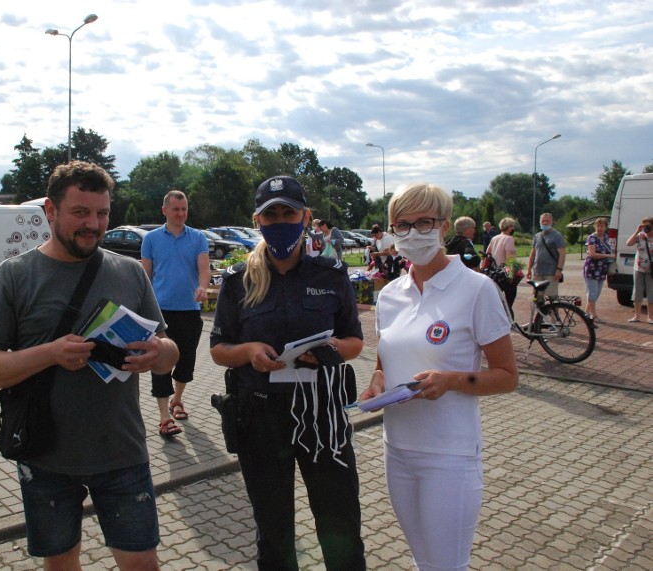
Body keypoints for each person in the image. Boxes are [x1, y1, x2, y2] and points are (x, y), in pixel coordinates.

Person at [0, 161, 179, 571]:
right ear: (50, 211)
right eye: (80, 213)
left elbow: (169, 350)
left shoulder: (129, 272)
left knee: (142, 564)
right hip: (46, 455)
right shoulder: (14, 276)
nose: (94, 224)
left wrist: (160, 354)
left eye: (102, 213)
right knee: (62, 563)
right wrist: (49, 353)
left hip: (121, 451)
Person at [359, 182, 518, 571]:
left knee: (446, 565)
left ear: (445, 226)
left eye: (424, 223)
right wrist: (377, 382)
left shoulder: (477, 289)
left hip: (449, 454)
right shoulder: (391, 295)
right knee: (423, 560)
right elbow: (383, 362)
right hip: (397, 448)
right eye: (402, 225)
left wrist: (451, 381)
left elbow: (507, 376)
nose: (412, 234)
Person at [210, 175, 366, 570]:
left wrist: (329, 350)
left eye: (288, 212)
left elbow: (355, 341)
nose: (280, 221)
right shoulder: (238, 279)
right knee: (274, 532)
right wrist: (246, 351)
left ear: (306, 217)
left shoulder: (330, 275)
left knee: (340, 525)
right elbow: (218, 349)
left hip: (322, 416)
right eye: (271, 214)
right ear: (257, 220)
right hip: (260, 418)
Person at [141, 190, 211, 438]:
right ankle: (163, 418)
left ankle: (177, 400)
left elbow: (204, 268)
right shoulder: (150, 239)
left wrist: (202, 286)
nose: (181, 214)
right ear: (165, 210)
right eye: (176, 209)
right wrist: (141, 304)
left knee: (186, 360)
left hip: (189, 310)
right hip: (159, 312)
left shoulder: (198, 237)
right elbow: (146, 276)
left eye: (184, 209)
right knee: (159, 362)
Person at [583, 217, 615, 324]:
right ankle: (594, 315)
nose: (600, 228)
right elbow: (592, 254)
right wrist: (608, 255)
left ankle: (586, 313)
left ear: (606, 227)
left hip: (602, 269)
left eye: (602, 226)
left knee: (596, 293)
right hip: (592, 268)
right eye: (598, 226)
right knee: (592, 292)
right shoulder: (592, 238)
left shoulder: (606, 237)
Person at [526, 213, 566, 298]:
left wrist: (559, 270)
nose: (545, 223)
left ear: (552, 222)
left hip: (551, 272)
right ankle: (539, 311)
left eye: (547, 221)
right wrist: (529, 269)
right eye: (543, 221)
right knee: (537, 296)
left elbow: (562, 254)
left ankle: (553, 311)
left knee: (552, 296)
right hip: (538, 271)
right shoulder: (537, 236)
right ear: (540, 222)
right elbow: (533, 253)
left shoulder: (557, 236)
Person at [486, 217, 520, 310]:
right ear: (509, 227)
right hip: (504, 272)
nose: (513, 229)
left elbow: (488, 253)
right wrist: (510, 275)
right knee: (509, 301)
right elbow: (510, 258)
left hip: (495, 272)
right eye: (512, 226)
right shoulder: (509, 239)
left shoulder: (494, 238)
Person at [626, 216, 653, 323]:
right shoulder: (641, 236)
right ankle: (637, 316)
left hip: (651, 269)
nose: (646, 228)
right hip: (639, 268)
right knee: (637, 292)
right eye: (644, 226)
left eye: (648, 226)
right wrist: (637, 230)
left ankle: (650, 316)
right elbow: (628, 243)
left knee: (651, 293)